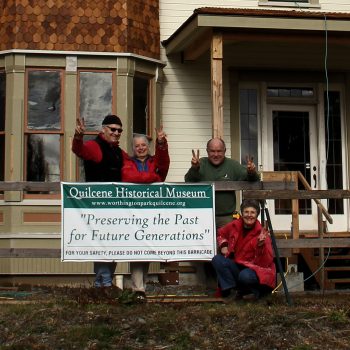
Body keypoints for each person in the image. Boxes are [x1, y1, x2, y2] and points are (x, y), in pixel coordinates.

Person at [72, 114, 127, 288]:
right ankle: (103, 283)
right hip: (97, 208)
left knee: (112, 245)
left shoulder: (119, 153)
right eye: (113, 129)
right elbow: (80, 150)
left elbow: (136, 167)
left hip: (116, 208)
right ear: (103, 129)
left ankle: (105, 282)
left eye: (119, 130)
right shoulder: (94, 146)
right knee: (102, 244)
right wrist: (78, 136)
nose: (117, 133)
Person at [122, 127, 170, 300]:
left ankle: (141, 287)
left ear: (148, 146)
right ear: (133, 148)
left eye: (143, 145)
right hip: (133, 213)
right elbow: (128, 177)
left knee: (148, 248)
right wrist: (154, 178)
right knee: (136, 249)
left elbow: (164, 164)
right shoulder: (127, 162)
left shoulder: (155, 161)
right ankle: (138, 289)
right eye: (137, 146)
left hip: (152, 212)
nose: (141, 148)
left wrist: (162, 143)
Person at [185, 137, 260, 228]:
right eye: (212, 151)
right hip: (203, 216)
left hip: (226, 217)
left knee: (227, 241)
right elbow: (188, 180)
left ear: (224, 151)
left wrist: (251, 172)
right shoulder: (200, 164)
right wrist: (194, 169)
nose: (216, 154)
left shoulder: (233, 165)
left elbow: (254, 180)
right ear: (207, 151)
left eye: (219, 151)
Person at [211, 199, 276, 301]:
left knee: (245, 276)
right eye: (246, 212)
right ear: (242, 213)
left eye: (252, 212)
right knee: (217, 259)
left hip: (256, 270)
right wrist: (223, 244)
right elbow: (220, 233)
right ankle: (231, 291)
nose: (249, 215)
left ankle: (257, 292)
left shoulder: (262, 234)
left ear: (257, 214)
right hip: (238, 265)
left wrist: (260, 246)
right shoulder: (234, 225)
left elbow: (265, 262)